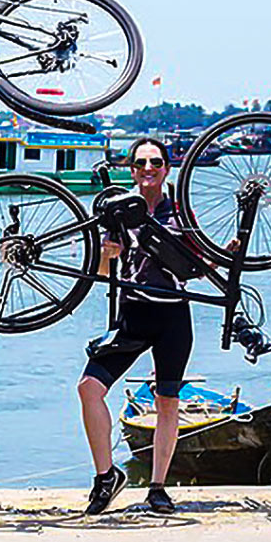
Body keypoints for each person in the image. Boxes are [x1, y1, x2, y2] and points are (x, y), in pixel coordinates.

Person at [76, 137, 225, 516]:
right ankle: (106, 476)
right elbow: (102, 274)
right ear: (131, 170)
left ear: (167, 168)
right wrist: (109, 256)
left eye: (155, 162)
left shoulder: (181, 211)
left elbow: (202, 269)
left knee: (167, 400)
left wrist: (227, 255)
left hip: (174, 315)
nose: (148, 169)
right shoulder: (120, 210)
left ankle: (158, 487)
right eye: (141, 163)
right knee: (89, 389)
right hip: (133, 315)